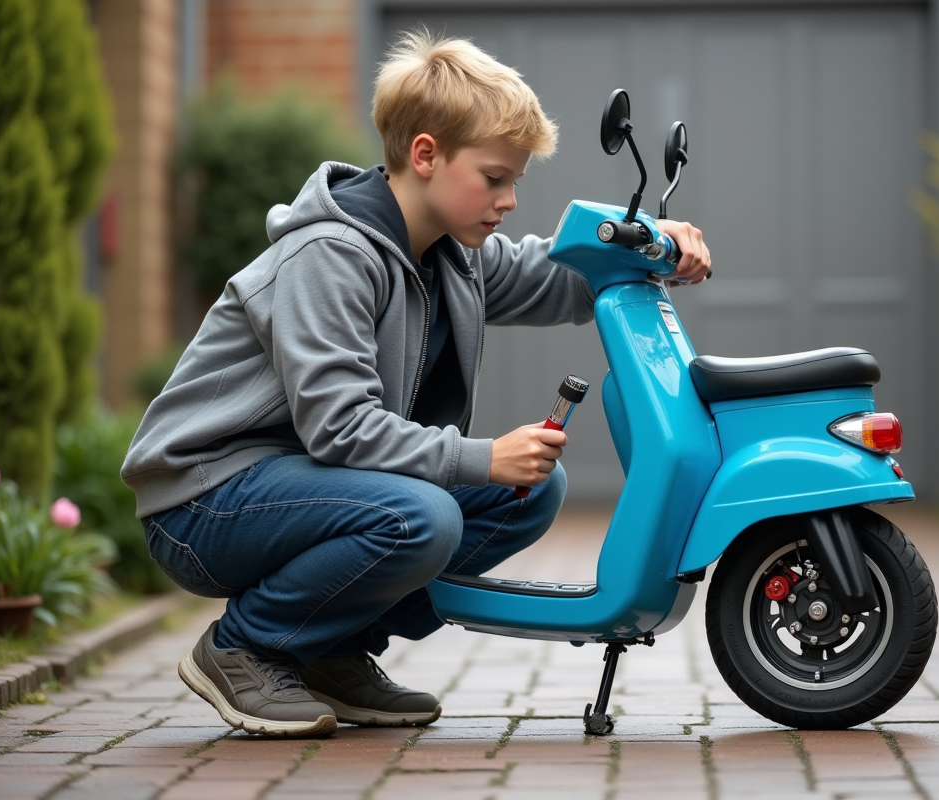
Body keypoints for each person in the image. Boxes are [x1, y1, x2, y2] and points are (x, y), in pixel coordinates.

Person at [121, 29, 711, 738]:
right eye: (495, 178)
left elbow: (561, 273)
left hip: (297, 486)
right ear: (425, 155)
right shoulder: (330, 254)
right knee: (420, 517)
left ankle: (330, 650)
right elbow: (339, 428)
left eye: (516, 181)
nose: (511, 200)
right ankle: (244, 647)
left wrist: (652, 243)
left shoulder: (453, 255)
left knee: (526, 493)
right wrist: (479, 456)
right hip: (204, 499)